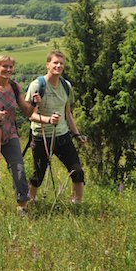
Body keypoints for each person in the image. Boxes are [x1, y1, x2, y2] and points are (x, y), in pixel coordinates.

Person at [0, 55, 60, 214]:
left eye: (10, 67)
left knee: (18, 169)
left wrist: (33, 103)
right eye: (4, 66)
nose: (8, 70)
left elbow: (27, 112)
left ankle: (22, 207)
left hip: (9, 135)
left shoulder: (14, 87)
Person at [26, 50, 87, 204]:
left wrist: (77, 134)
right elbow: (30, 115)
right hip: (41, 137)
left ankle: (77, 204)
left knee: (77, 172)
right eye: (55, 63)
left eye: (61, 63)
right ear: (48, 65)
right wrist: (48, 120)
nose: (59, 66)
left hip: (63, 136)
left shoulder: (66, 86)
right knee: (38, 176)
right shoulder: (37, 85)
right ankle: (29, 202)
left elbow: (67, 113)